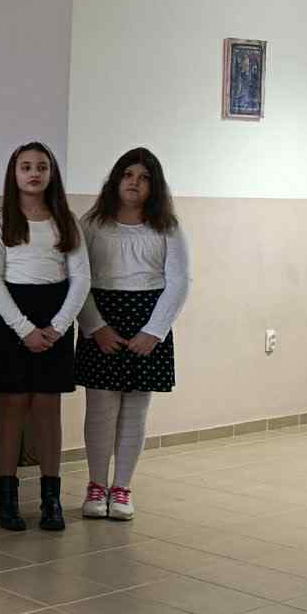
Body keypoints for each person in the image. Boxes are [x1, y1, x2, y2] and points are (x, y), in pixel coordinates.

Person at [76, 149, 192, 519]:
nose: (134, 183)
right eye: (128, 175)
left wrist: (154, 332)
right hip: (103, 321)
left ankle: (122, 488)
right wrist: (95, 327)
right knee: (100, 409)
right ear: (116, 179)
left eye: (144, 178)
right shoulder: (91, 224)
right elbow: (78, 280)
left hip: (148, 321)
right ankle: (96, 486)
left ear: (154, 186)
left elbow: (179, 281)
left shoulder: (167, 226)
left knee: (135, 411)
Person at [0, 141, 90, 532]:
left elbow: (81, 277)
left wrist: (58, 327)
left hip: (54, 315)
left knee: (47, 405)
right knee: (12, 405)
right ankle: (7, 496)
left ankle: (50, 498)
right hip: (11, 317)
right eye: (25, 167)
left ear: (51, 173)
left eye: (41, 167)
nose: (34, 173)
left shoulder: (66, 220)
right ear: (14, 174)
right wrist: (24, 328)